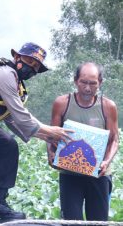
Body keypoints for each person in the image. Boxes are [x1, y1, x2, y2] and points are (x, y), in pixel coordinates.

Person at [0, 42, 72, 221]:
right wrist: (50, 131)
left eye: (36, 66)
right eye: (29, 61)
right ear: (17, 57)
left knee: (8, 147)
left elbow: (12, 120)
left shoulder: (18, 86)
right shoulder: (5, 73)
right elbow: (21, 116)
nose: (31, 68)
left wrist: (49, 137)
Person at [47, 62, 119, 222]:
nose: (87, 88)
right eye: (83, 82)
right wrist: (50, 153)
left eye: (93, 83)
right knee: (71, 220)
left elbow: (114, 139)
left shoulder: (108, 106)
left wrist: (106, 161)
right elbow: (51, 135)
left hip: (99, 175)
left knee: (98, 221)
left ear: (100, 82)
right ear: (75, 81)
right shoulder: (62, 103)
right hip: (70, 173)